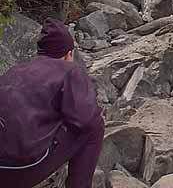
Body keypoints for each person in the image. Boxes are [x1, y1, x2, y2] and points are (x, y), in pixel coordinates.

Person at [0, 18, 104, 188]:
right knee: (95, 125)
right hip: (21, 169)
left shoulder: (14, 71)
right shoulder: (69, 70)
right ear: (68, 54)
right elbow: (85, 120)